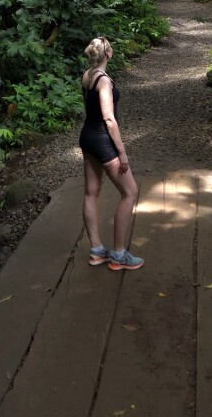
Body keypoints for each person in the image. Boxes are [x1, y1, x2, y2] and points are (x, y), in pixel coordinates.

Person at [79, 35, 144, 271]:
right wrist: (122, 152)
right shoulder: (104, 81)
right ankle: (118, 254)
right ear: (108, 54)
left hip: (87, 137)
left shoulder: (87, 75)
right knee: (130, 192)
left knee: (91, 192)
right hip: (103, 141)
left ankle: (97, 250)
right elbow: (108, 119)